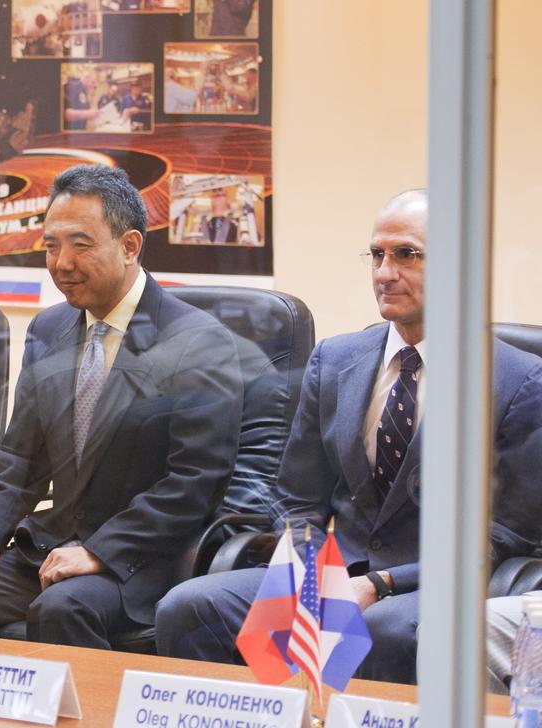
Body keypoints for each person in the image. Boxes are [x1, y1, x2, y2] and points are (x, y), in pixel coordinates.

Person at [155, 189, 542, 684]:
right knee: (189, 607)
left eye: (406, 254)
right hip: (334, 570)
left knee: (381, 627)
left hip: (433, 583)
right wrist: (314, 571)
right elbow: (297, 499)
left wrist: (381, 583)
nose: (384, 272)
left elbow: (504, 536)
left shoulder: (518, 380)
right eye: (377, 254)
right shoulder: (335, 360)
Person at [0, 165, 243, 648]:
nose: (61, 263)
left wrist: (100, 551)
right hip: (49, 547)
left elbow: (195, 482)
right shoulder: (48, 329)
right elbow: (20, 459)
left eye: (80, 245)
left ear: (130, 246)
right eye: (51, 246)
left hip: (141, 559)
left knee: (62, 608)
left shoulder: (197, 342)